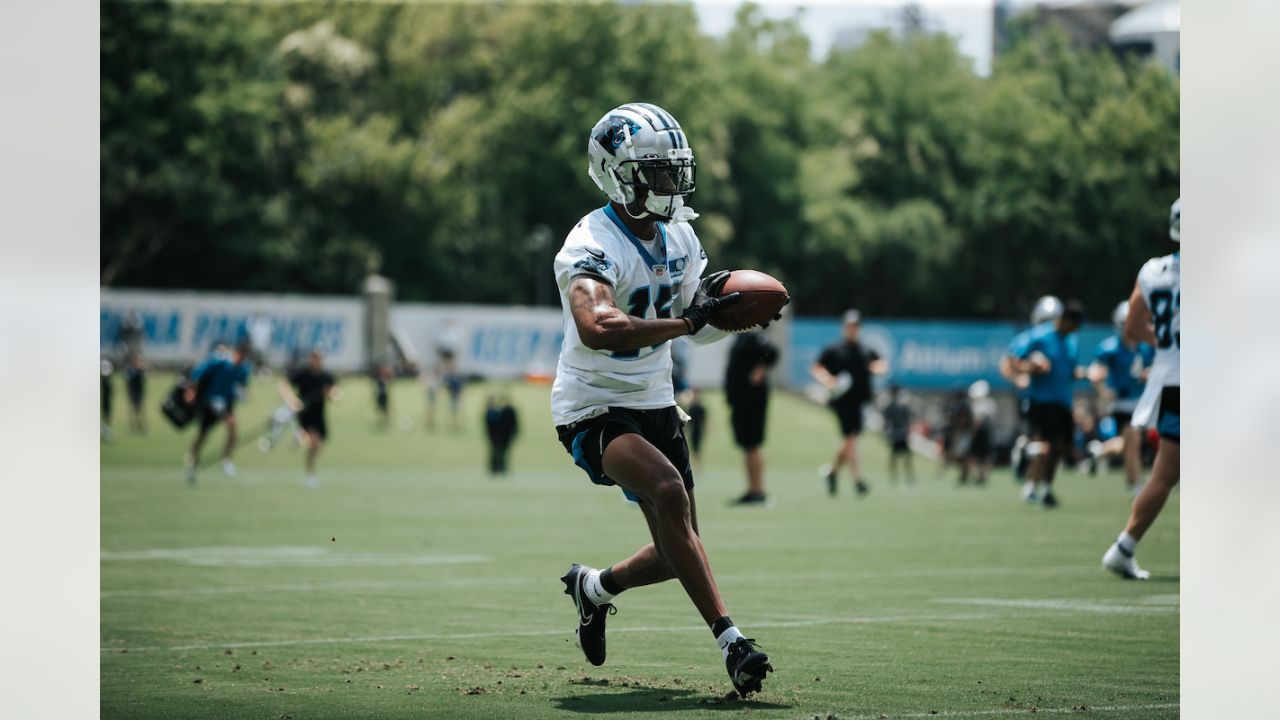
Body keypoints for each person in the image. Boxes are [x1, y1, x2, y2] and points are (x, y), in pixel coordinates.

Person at [552, 103, 772, 698]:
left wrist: (730, 317)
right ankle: (733, 643)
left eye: (676, 170)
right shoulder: (590, 243)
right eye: (658, 171)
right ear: (619, 174)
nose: (672, 184)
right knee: (669, 490)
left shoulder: (681, 234)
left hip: (655, 398)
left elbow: (695, 324)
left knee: (680, 549)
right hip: (593, 405)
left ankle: (594, 588)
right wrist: (685, 322)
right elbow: (601, 327)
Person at [1102, 198, 1180, 579]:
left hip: (1173, 379)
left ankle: (1124, 546)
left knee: (1165, 475)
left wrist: (1170, 344)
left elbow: (1133, 329)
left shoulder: (1153, 272)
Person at [1009, 300, 1086, 508]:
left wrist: (1087, 374)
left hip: (1063, 401)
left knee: (1063, 447)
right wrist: (1030, 368)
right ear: (1064, 320)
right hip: (1041, 400)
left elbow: (1070, 370)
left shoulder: (1071, 342)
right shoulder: (1039, 336)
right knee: (1052, 443)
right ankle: (1038, 477)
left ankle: (1043, 486)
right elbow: (1013, 359)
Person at [811, 309, 888, 497]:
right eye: (849, 326)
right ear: (844, 327)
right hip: (841, 401)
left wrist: (876, 368)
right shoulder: (834, 350)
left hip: (860, 400)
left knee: (850, 440)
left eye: (855, 326)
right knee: (851, 438)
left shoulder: (865, 350)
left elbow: (881, 364)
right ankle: (858, 481)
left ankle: (834, 473)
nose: (852, 329)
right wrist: (828, 380)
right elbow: (817, 367)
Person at [1088, 301, 1155, 493]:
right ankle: (1136, 484)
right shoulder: (1110, 348)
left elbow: (1152, 368)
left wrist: (1148, 375)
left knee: (1131, 443)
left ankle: (1100, 452)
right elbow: (1096, 372)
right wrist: (1103, 390)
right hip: (1121, 402)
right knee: (1133, 440)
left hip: (1141, 401)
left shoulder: (1144, 347)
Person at [1000, 295, 1063, 483]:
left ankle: (1032, 484)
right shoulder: (1030, 338)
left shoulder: (1064, 342)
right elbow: (1007, 363)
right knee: (1045, 443)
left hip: (1055, 400)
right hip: (1034, 398)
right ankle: (1025, 452)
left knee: (1051, 446)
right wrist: (1022, 375)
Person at [723, 331, 780, 505]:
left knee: (752, 445)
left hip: (752, 402)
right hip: (741, 402)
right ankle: (752, 489)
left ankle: (758, 490)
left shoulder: (753, 336)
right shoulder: (741, 337)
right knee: (747, 446)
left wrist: (760, 368)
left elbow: (773, 352)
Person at [184, 341, 252, 483]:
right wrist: (191, 391)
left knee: (233, 427)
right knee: (203, 434)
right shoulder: (220, 361)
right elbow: (198, 372)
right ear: (237, 353)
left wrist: (243, 394)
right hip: (209, 402)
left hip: (226, 404)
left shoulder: (244, 369)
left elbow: (242, 387)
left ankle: (226, 460)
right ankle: (192, 460)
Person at [279, 348, 338, 488]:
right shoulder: (302, 373)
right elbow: (284, 385)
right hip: (304, 414)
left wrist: (332, 395)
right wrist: (291, 399)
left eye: (317, 358)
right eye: (312, 357)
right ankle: (310, 473)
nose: (314, 361)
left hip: (319, 415)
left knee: (318, 445)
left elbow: (334, 391)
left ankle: (300, 437)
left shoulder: (326, 376)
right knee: (313, 443)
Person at [960, 380, 996, 486]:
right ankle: (977, 475)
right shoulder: (982, 404)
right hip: (981, 433)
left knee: (981, 456)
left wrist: (973, 430)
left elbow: (979, 421)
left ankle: (981, 476)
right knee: (977, 456)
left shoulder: (987, 404)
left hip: (982, 433)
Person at [881, 384, 914, 483]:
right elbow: (887, 421)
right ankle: (894, 477)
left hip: (901, 433)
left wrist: (907, 432)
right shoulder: (890, 406)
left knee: (906, 456)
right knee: (894, 457)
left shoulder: (901, 405)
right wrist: (887, 433)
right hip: (895, 433)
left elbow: (907, 420)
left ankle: (909, 477)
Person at [483, 394, 519, 476]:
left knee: (500, 451)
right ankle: (496, 467)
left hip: (501, 435)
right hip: (497, 435)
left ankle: (499, 467)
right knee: (497, 451)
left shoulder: (499, 411)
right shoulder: (493, 411)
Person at [124, 352, 148, 433]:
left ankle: (140, 424)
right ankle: (133, 424)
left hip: (140, 391)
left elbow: (146, 376)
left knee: (140, 408)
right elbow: (127, 380)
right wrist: (127, 391)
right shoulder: (130, 369)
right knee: (133, 408)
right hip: (132, 391)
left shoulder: (141, 369)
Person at [100, 358, 115, 442]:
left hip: (106, 402)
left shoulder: (107, 381)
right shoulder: (106, 381)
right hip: (104, 402)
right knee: (106, 415)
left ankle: (105, 429)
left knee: (106, 415)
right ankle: (105, 429)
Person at [374, 363, 392, 430]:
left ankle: (386, 421)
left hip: (384, 396)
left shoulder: (386, 380)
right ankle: (381, 421)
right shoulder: (379, 380)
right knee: (380, 409)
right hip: (380, 396)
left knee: (385, 409)